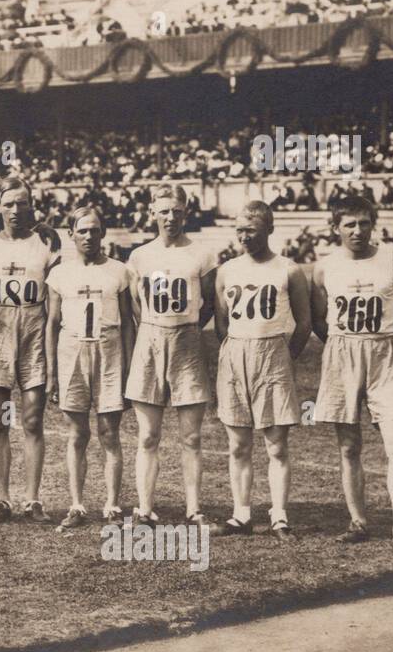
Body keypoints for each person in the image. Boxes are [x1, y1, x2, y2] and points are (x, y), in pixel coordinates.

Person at [311, 195, 393, 553]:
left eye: (364, 223)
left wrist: (379, 340)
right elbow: (317, 320)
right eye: (350, 224)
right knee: (348, 445)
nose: (358, 231)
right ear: (336, 228)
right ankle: (358, 521)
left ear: (373, 224)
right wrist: (346, 345)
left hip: (384, 354)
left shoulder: (391, 259)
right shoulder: (325, 268)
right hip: (341, 354)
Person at [212, 202, 312, 543]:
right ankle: (241, 515)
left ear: (268, 229)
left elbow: (304, 323)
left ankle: (279, 516)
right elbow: (221, 323)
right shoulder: (227, 270)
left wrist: (285, 358)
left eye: (250, 230)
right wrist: (233, 352)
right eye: (239, 230)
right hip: (235, 353)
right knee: (238, 444)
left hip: (273, 353)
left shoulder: (288, 269)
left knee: (276, 445)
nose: (243, 237)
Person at [125, 184, 218, 528]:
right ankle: (144, 508)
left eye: (177, 211)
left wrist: (188, 328)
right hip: (149, 341)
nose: (170, 217)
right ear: (153, 213)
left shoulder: (201, 255)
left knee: (191, 436)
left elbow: (209, 302)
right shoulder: (139, 256)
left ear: (186, 214)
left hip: (187, 343)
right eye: (164, 211)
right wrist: (153, 328)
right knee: (148, 434)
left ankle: (194, 509)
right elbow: (135, 304)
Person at [0, 178, 61, 523]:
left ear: (31, 205)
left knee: (33, 418)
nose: (15, 210)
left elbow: (56, 302)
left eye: (22, 203)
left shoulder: (46, 244)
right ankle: (1, 498)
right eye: (9, 203)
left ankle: (33, 499)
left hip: (33, 327)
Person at [45, 207, 134, 529]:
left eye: (94, 230)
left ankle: (112, 505)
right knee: (78, 433)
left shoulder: (119, 271)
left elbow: (127, 324)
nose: (88, 236)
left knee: (110, 433)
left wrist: (128, 367)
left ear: (103, 233)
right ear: (71, 235)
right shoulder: (59, 274)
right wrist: (52, 373)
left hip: (108, 349)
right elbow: (52, 323)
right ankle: (77, 505)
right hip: (72, 349)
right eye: (82, 230)